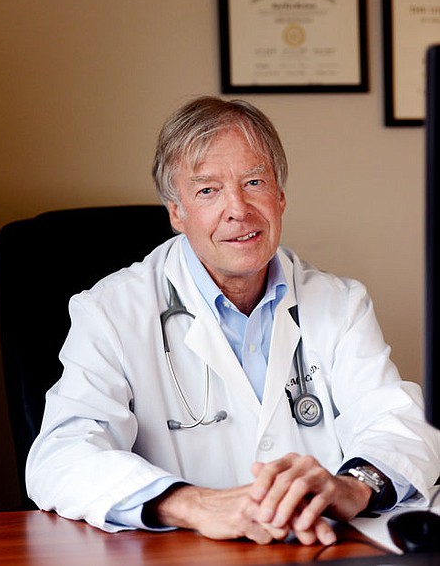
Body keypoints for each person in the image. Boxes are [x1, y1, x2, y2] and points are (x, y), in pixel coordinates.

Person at [26, 96, 440, 546]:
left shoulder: (340, 304)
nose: (238, 209)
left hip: (314, 548)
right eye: (207, 190)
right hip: (185, 555)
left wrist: (353, 486)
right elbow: (60, 456)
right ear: (176, 213)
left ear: (280, 197)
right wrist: (196, 504)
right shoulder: (111, 312)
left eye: (254, 182)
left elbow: (400, 423)